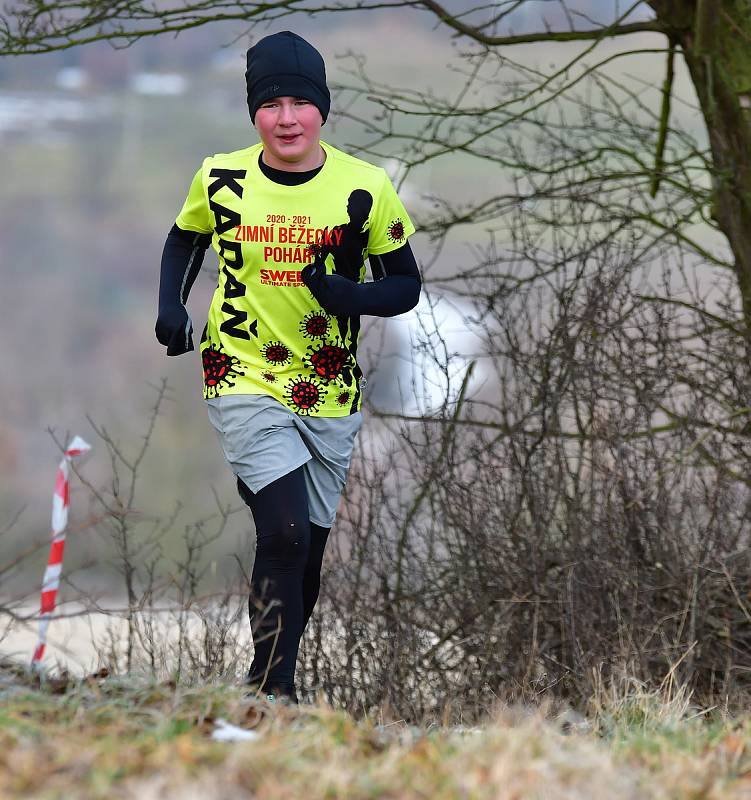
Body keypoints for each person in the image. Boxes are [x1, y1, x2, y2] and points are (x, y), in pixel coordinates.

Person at [155, 30, 420, 704]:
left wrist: (347, 295)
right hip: (240, 370)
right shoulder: (221, 178)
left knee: (305, 554)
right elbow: (185, 238)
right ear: (254, 113)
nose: (286, 117)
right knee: (285, 531)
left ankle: (266, 680)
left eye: (300, 102)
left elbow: (403, 286)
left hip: (328, 387)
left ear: (321, 109)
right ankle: (273, 692)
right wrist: (170, 308)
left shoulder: (364, 187)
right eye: (270, 103)